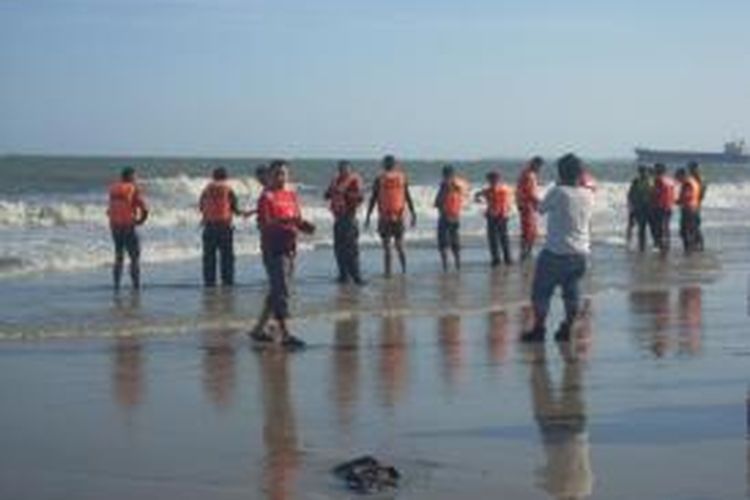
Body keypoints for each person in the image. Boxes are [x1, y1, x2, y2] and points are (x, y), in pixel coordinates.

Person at [521, 154, 594, 343]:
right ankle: (567, 328)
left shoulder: (558, 192)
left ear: (561, 173)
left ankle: (539, 329)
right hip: (581, 254)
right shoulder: (588, 194)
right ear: (580, 173)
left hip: (555, 252)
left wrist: (530, 195)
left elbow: (541, 208)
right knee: (572, 292)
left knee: (541, 292)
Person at [248, 160, 315, 349]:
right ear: (269, 176)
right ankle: (285, 334)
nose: (280, 177)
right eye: (276, 173)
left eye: (283, 173)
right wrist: (289, 222)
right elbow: (265, 225)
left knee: (276, 291)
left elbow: (297, 218)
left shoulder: (291, 195)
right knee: (281, 291)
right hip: (273, 249)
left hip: (290, 249)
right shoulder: (266, 197)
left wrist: (304, 226)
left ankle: (258, 329)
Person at [365, 155, 417, 276]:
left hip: (385, 217)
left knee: (387, 248)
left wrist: (368, 216)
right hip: (398, 217)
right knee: (399, 246)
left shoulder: (379, 179)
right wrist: (413, 214)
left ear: (384, 165)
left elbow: (373, 199)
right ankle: (403, 270)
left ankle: (388, 274)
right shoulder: (402, 178)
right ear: (395, 165)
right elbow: (408, 197)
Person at [199, 167, 247, 287]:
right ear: (226, 177)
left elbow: (201, 206)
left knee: (209, 258)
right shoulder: (228, 189)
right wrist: (242, 213)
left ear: (213, 176)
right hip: (225, 226)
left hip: (209, 227)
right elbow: (234, 208)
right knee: (227, 258)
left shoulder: (207, 189)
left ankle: (209, 283)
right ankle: (228, 282)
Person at [107, 166, 149, 291]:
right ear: (131, 176)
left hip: (114, 226)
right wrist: (141, 221)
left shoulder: (113, 189)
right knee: (134, 258)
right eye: (135, 176)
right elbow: (145, 208)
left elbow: (110, 209)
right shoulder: (133, 188)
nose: (136, 179)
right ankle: (136, 286)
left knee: (118, 256)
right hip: (128, 226)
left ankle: (116, 285)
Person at [324, 160, 365, 284]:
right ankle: (343, 275)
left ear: (350, 169)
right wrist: (331, 192)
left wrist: (346, 194)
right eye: (341, 168)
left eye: (345, 169)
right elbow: (326, 195)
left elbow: (360, 198)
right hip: (338, 219)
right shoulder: (335, 181)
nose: (343, 171)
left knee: (351, 249)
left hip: (350, 218)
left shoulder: (354, 180)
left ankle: (357, 276)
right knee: (338, 249)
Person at [433, 165, 469, 271]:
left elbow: (438, 202)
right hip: (455, 216)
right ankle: (458, 265)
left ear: (444, 174)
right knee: (455, 242)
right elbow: (465, 194)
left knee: (443, 244)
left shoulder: (444, 186)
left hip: (444, 217)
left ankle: (445, 266)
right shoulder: (459, 185)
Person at [475, 170, 513, 266]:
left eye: (493, 179)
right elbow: (477, 194)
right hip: (495, 216)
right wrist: (478, 199)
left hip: (500, 216)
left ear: (497, 179)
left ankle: (504, 258)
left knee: (501, 238)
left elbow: (506, 203)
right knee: (496, 239)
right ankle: (500, 259)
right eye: (491, 180)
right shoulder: (492, 190)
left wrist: (478, 198)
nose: (492, 182)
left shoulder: (501, 190)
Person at [516, 156, 544, 261]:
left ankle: (526, 251)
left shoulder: (527, 174)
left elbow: (521, 190)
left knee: (530, 231)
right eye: (539, 166)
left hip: (526, 205)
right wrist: (540, 203)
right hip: (527, 206)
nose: (540, 169)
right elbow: (530, 193)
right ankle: (525, 252)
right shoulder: (529, 175)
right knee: (529, 231)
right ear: (535, 164)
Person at [626, 165, 653, 252]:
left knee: (645, 227)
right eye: (641, 172)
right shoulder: (636, 181)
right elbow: (630, 194)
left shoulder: (650, 182)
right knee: (631, 225)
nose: (643, 173)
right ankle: (629, 242)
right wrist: (630, 205)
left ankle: (644, 245)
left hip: (646, 208)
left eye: (644, 171)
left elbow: (653, 195)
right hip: (636, 207)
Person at [675, 168, 701, 253]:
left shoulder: (687, 183)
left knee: (684, 231)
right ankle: (694, 248)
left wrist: (677, 201)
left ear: (682, 175)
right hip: (695, 207)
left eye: (677, 177)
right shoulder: (694, 182)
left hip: (688, 209)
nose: (677, 179)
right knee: (692, 229)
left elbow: (687, 195)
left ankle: (688, 249)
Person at [651, 163, 676, 253]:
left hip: (659, 206)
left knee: (659, 227)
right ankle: (667, 244)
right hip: (669, 206)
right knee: (666, 226)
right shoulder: (670, 180)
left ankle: (660, 245)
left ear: (658, 170)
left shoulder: (658, 180)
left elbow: (656, 194)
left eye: (655, 169)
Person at [688, 162, 706, 251]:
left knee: (694, 224)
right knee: (693, 224)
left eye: (690, 168)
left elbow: (702, 192)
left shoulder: (698, 178)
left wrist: (698, 200)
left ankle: (699, 244)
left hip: (695, 204)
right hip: (695, 203)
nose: (689, 170)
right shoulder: (695, 178)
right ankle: (696, 243)